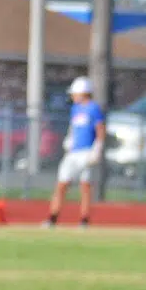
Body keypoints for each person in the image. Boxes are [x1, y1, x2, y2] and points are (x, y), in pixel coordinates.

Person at [46, 76, 102, 228]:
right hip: (74, 152)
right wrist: (69, 139)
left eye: (75, 93)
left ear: (83, 93)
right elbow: (74, 127)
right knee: (62, 184)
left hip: (87, 152)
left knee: (85, 187)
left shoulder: (93, 108)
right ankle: (52, 218)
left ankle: (84, 220)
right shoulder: (75, 109)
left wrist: (98, 148)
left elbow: (100, 129)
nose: (73, 96)